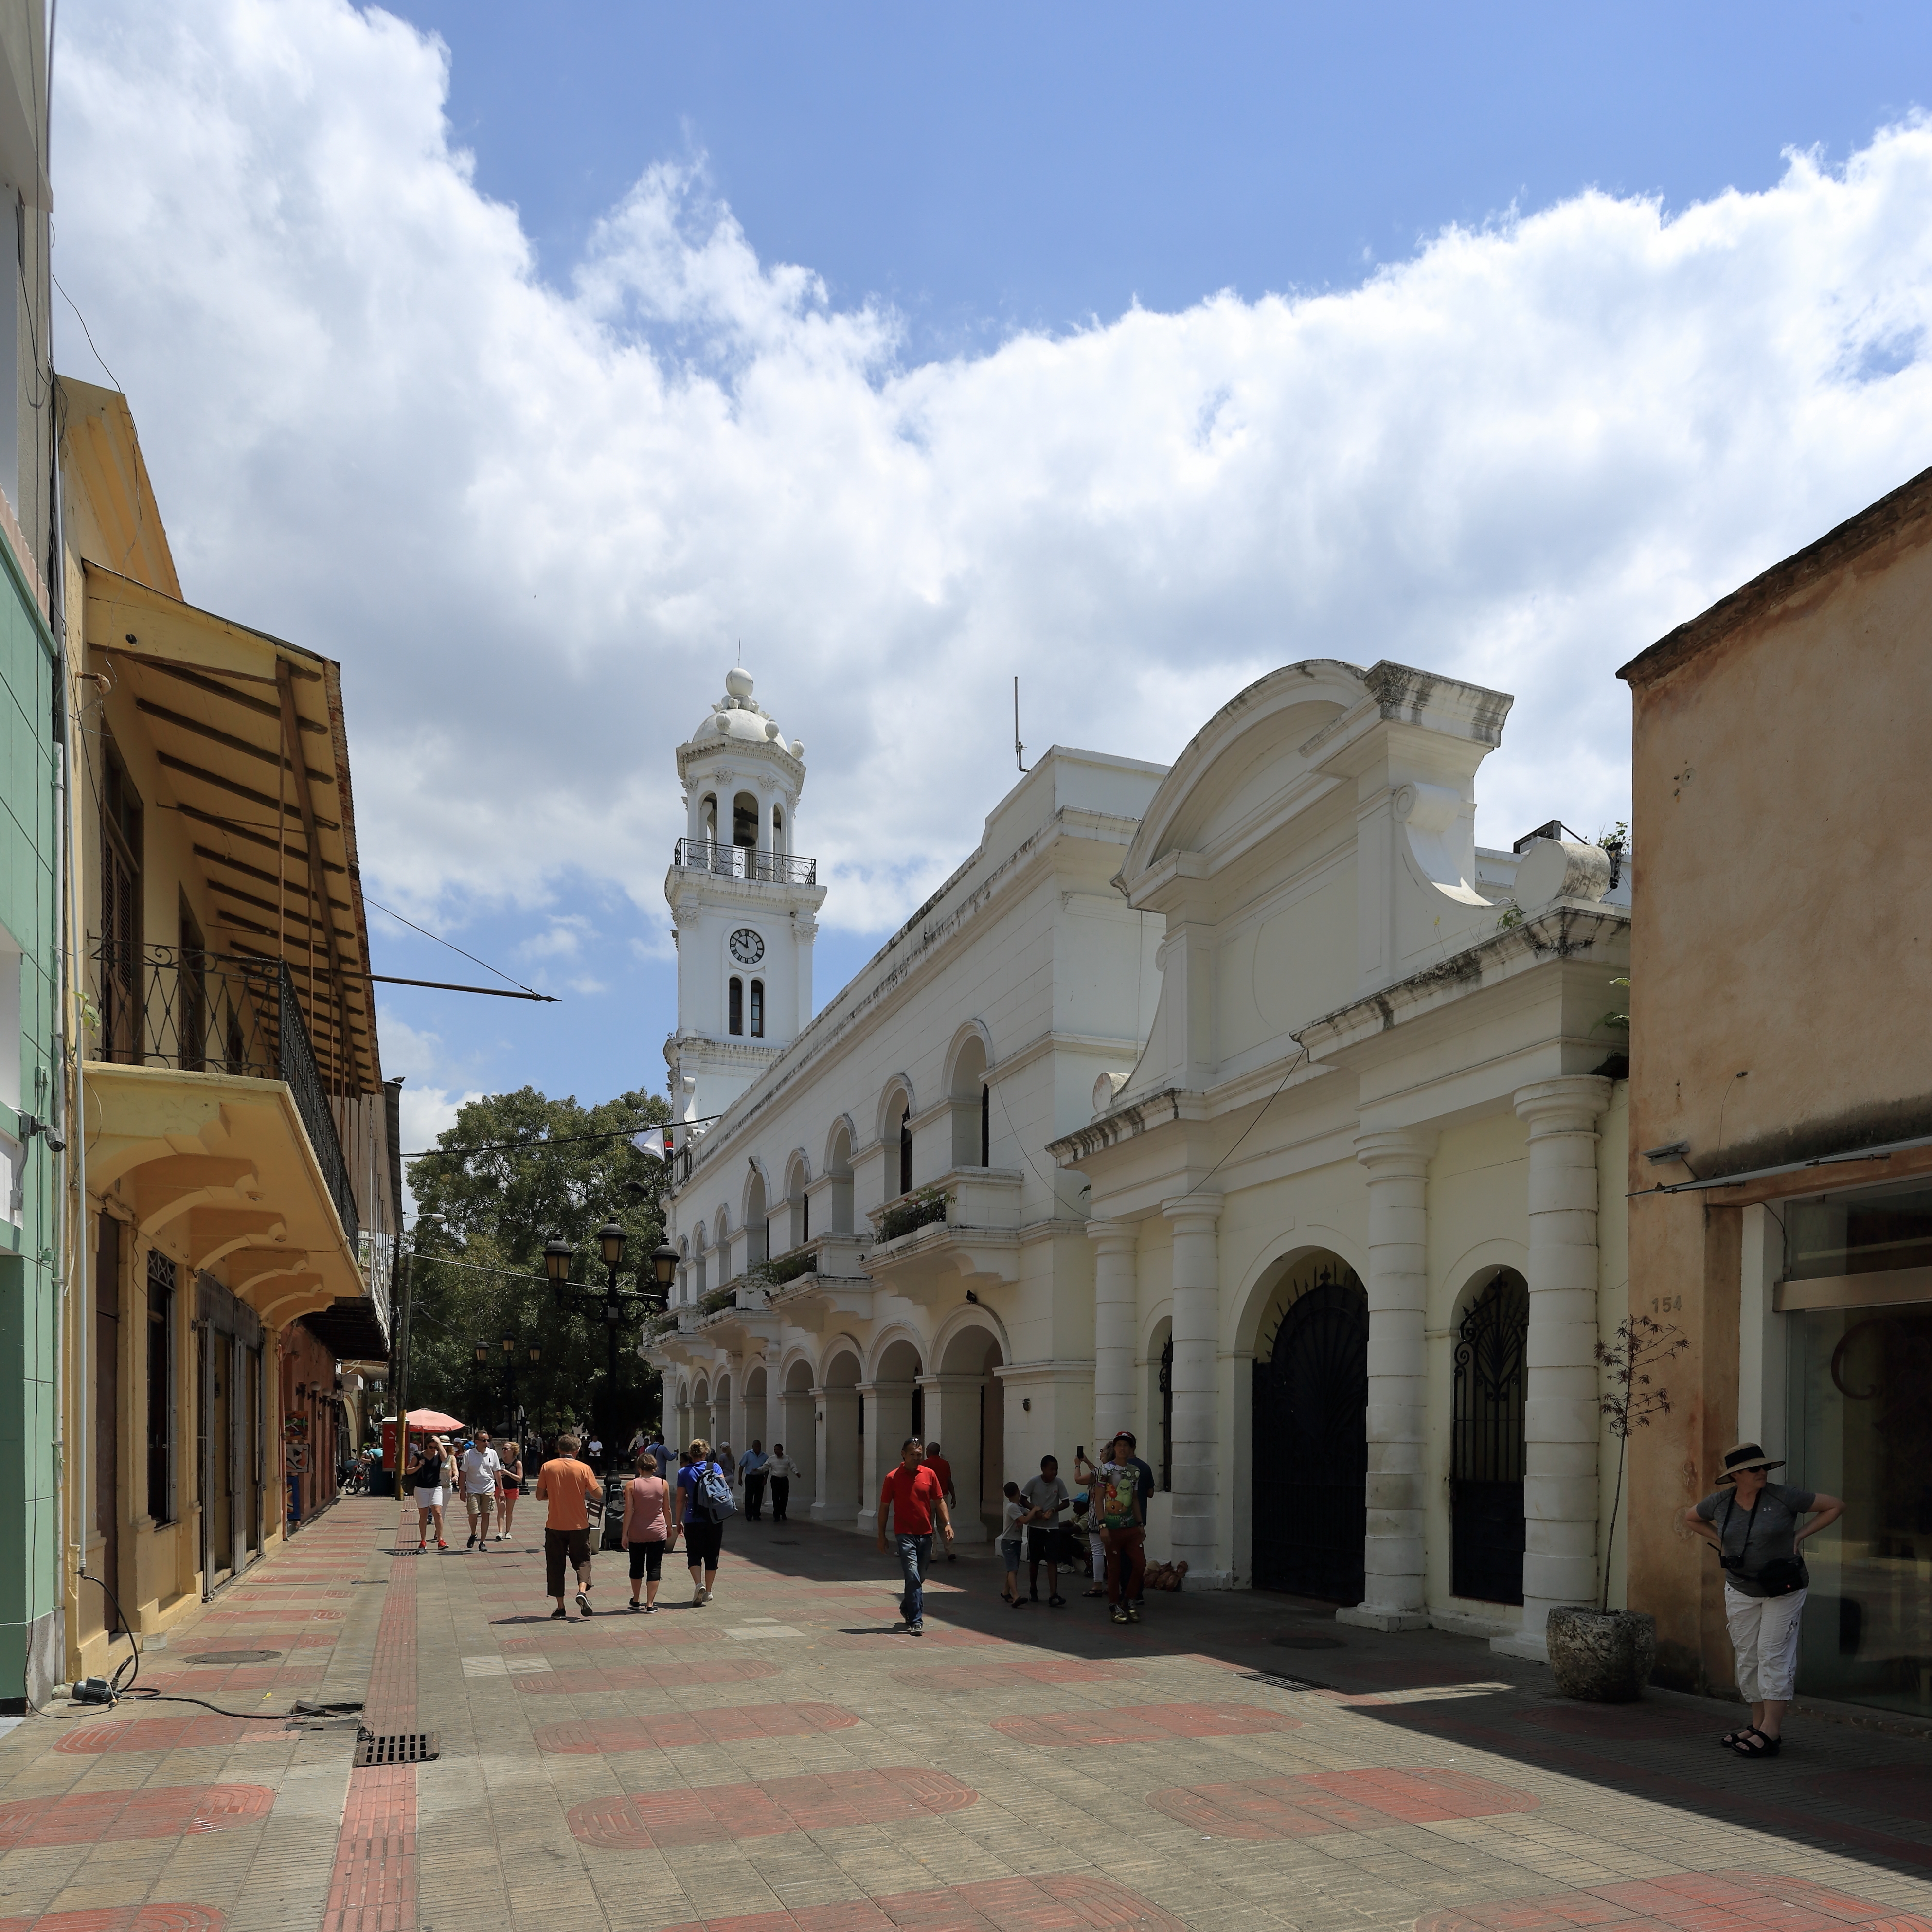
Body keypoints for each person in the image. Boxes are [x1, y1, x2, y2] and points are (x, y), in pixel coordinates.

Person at [1683, 1441, 1842, 1757]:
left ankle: (1772, 1731)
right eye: (1755, 1469)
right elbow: (1690, 1518)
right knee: (1748, 1655)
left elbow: (1835, 1505)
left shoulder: (1784, 1496)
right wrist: (1721, 1542)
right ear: (1737, 1475)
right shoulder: (1721, 1503)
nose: (1763, 1473)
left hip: (1783, 1589)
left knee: (1773, 1654)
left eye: (1765, 1467)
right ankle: (1757, 1725)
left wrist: (1800, 1535)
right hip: (1741, 1589)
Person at [876, 1436, 953, 1633]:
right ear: (903, 1454)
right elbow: (884, 1507)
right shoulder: (892, 1478)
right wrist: (881, 1535)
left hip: (926, 1534)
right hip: (905, 1534)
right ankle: (916, 1620)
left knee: (920, 1577)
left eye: (919, 1455)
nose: (916, 1458)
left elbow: (940, 1500)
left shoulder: (929, 1475)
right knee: (912, 1575)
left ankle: (906, 1606)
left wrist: (947, 1524)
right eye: (912, 1455)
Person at [536, 1430, 603, 1619]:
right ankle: (582, 1591)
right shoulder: (583, 1468)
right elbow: (598, 1494)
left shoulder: (547, 1467)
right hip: (578, 1525)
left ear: (559, 1449)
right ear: (578, 1450)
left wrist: (555, 1495)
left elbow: (539, 1495)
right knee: (582, 1560)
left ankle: (560, 1607)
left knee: (555, 1566)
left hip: (555, 1525)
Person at [1090, 1434, 1147, 1625]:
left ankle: (1129, 1599)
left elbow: (1136, 1498)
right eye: (1119, 1445)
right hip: (1112, 1528)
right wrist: (1102, 1525)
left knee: (1140, 1564)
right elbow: (1099, 1498)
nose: (1122, 1448)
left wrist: (1140, 1524)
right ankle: (1114, 1604)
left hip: (1131, 1528)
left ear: (1132, 1449)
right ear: (1114, 1448)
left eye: (1126, 1445)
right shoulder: (1105, 1470)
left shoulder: (1135, 1471)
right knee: (1114, 1568)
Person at [678, 1437, 730, 1605]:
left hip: (693, 1518)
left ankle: (698, 1584)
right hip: (714, 1518)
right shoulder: (714, 1467)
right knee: (712, 1554)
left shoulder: (683, 1473)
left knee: (693, 1553)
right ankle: (708, 1591)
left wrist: (678, 1520)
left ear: (690, 1454)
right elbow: (723, 1488)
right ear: (706, 1452)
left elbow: (679, 1500)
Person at [622, 1449, 675, 1611]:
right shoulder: (663, 1484)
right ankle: (650, 1603)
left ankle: (636, 1598)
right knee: (654, 1566)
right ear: (654, 1468)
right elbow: (667, 1510)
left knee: (636, 1565)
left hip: (637, 1531)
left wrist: (625, 1534)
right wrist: (669, 1526)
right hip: (657, 1531)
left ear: (639, 1469)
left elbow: (629, 1511)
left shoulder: (632, 1485)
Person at [1021, 1454, 1071, 1606]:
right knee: (1035, 1560)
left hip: (1052, 1528)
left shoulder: (1059, 1483)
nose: (1054, 1473)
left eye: (1056, 1470)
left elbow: (1066, 1502)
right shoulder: (1034, 1482)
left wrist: (1054, 1510)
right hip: (1036, 1527)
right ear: (1043, 1469)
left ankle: (1053, 1594)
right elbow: (1023, 1499)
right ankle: (1033, 1588)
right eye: (1051, 1470)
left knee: (1052, 1560)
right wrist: (1035, 1511)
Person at [461, 1430, 501, 1550]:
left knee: (486, 1515)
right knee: (473, 1514)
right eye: (484, 1440)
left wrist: (502, 1489)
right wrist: (462, 1490)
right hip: (473, 1488)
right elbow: (463, 1473)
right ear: (477, 1442)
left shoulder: (492, 1453)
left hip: (488, 1489)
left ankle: (482, 1542)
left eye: (488, 1440)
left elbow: (497, 1472)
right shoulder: (469, 1454)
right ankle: (474, 1533)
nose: (487, 1443)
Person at [410, 1436, 450, 1551]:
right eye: (431, 1447)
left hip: (436, 1487)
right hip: (421, 1488)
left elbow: (445, 1457)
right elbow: (408, 1470)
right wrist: (419, 1466)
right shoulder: (419, 1456)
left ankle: (441, 1540)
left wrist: (439, 1442)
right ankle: (423, 1541)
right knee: (423, 1515)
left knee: (438, 1512)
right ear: (426, 1446)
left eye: (435, 1447)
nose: (433, 1449)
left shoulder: (439, 1455)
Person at [923, 1442, 959, 1561]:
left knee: (930, 1527)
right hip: (943, 1497)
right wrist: (953, 1495)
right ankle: (950, 1551)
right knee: (944, 1525)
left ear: (929, 1451)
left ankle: (933, 1554)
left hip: (929, 1498)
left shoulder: (924, 1465)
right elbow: (949, 1481)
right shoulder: (945, 1464)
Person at [998, 1481, 1026, 1606]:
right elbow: (1024, 1519)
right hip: (1009, 1541)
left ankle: (1006, 1591)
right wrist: (1035, 1509)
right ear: (1018, 1492)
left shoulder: (1018, 1507)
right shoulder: (1012, 1507)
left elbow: (1026, 1514)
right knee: (1013, 1569)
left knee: (1012, 1569)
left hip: (1016, 1540)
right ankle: (1016, 1596)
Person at [496, 1438, 523, 1540]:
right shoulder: (499, 1461)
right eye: (503, 1449)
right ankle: (500, 1532)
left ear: (513, 1451)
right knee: (501, 1510)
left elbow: (520, 1479)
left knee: (509, 1512)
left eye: (507, 1449)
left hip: (512, 1489)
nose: (504, 1450)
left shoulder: (517, 1463)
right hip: (500, 1488)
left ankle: (508, 1532)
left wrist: (509, 1474)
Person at [767, 1443, 797, 1522]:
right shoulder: (771, 1459)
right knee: (776, 1497)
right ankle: (776, 1515)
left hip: (784, 1480)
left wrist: (796, 1472)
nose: (776, 1451)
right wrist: (759, 1470)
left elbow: (793, 1466)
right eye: (775, 1449)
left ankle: (783, 1512)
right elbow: (765, 1466)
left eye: (778, 1449)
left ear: (782, 1450)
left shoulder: (787, 1459)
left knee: (784, 1497)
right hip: (775, 1479)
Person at [740, 1440, 769, 1521]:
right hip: (750, 1477)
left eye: (759, 1447)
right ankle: (749, 1514)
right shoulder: (748, 1454)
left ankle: (756, 1514)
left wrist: (765, 1479)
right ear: (753, 1447)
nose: (758, 1448)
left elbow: (767, 1469)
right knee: (749, 1496)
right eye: (756, 1447)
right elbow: (742, 1466)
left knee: (759, 1497)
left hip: (760, 1477)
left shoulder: (765, 1456)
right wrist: (740, 1478)